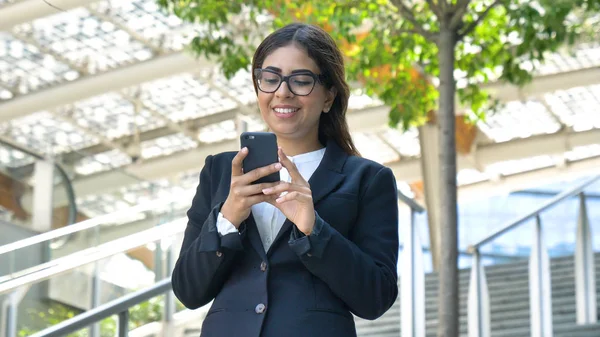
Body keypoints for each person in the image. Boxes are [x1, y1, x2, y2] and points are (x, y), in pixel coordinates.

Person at [171, 22, 399, 337]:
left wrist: (314, 230)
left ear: (329, 96)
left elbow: (377, 297)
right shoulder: (220, 172)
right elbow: (188, 290)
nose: (282, 91)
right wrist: (228, 218)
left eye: (301, 81)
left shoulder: (367, 179)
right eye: (270, 78)